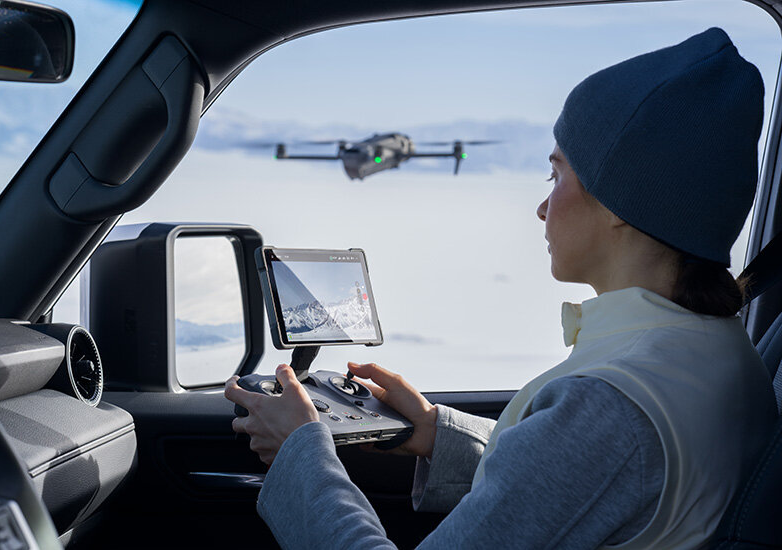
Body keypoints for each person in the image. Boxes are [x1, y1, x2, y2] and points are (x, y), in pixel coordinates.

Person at [224, 27, 778, 549]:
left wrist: (302, 454)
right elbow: (596, 479)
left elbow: (601, 450)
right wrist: (436, 433)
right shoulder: (718, 351)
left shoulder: (610, 402)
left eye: (556, 176)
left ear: (620, 204)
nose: (541, 206)